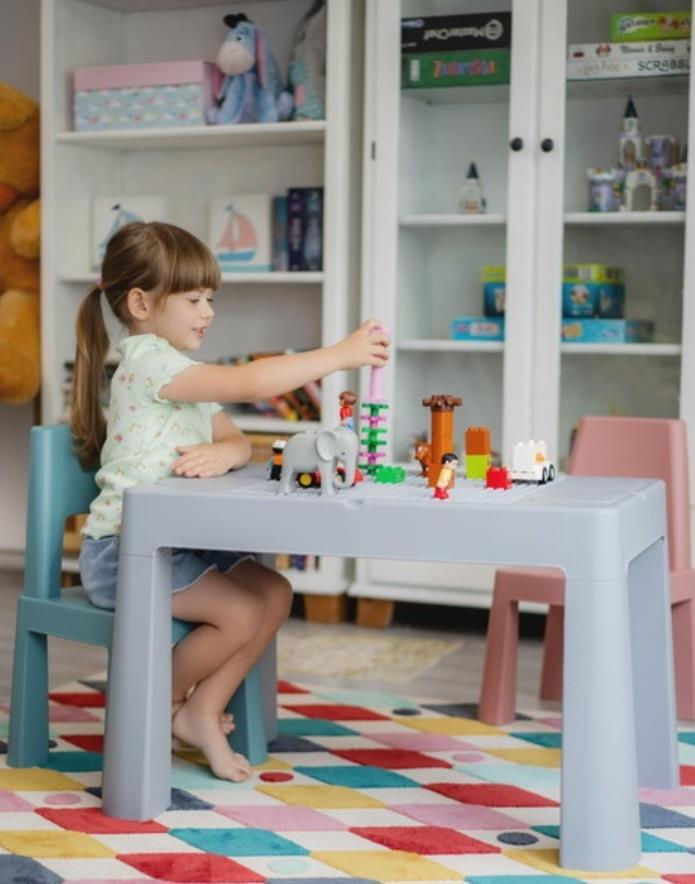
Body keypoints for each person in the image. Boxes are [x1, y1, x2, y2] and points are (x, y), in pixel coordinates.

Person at [70, 221, 389, 782]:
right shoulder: (148, 363)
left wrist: (225, 452)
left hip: (176, 546)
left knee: (275, 592)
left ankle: (200, 710)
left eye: (210, 299)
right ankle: (162, 705)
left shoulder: (184, 379)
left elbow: (238, 438)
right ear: (140, 304)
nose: (208, 312)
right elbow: (250, 384)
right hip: (124, 553)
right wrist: (338, 355)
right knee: (240, 612)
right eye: (193, 299)